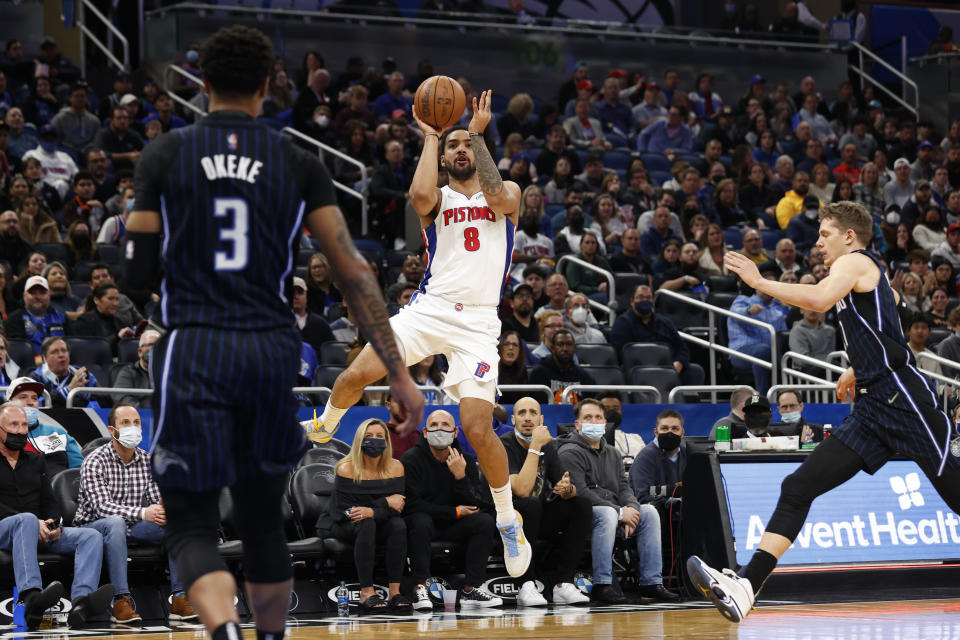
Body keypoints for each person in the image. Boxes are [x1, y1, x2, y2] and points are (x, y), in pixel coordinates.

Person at [123, 26, 423, 640]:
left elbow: (135, 272)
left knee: (192, 521)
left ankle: (222, 630)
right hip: (268, 347)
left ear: (202, 83)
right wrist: (397, 373)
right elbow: (356, 275)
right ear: (268, 86)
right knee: (262, 519)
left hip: (196, 344)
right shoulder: (297, 162)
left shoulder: (164, 155)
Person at [690, 201, 960, 623]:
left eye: (825, 233)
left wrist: (761, 281)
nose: (817, 242)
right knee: (798, 487)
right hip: (873, 407)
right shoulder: (869, 274)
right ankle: (747, 584)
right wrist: (858, 366)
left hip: (904, 400)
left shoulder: (854, 262)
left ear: (849, 236)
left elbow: (817, 300)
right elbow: (890, 319)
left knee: (956, 494)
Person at [309, 88, 534, 577]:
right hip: (429, 309)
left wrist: (476, 134)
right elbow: (417, 196)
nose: (459, 150)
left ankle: (505, 517)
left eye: (465, 146)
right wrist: (432, 137)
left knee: (476, 427)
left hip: (477, 321)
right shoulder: (439, 199)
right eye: (451, 146)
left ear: (478, 149)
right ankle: (325, 425)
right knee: (352, 378)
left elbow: (498, 195)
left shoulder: (507, 195)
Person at [73, 404, 197, 624]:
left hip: (132, 527)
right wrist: (143, 512)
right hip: (93, 528)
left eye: (137, 422)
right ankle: (122, 599)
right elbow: (102, 508)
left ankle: (179, 597)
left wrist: (166, 509)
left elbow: (155, 499)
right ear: (112, 430)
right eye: (126, 423)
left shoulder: (147, 460)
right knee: (115, 523)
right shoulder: (94, 461)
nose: (133, 427)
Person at [0, 401, 115, 628]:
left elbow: (50, 501)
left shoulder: (35, 460)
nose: (21, 430)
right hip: (5, 530)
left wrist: (51, 523)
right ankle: (32, 598)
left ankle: (81, 602)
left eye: (24, 425)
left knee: (90, 536)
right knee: (27, 520)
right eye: (14, 425)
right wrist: (35, 523)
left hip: (37, 529)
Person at [558, 399, 679, 603]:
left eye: (598, 417)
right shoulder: (569, 452)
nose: (594, 422)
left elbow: (624, 487)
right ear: (577, 424)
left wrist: (631, 508)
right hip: (583, 516)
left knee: (649, 511)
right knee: (607, 513)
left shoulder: (613, 453)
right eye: (588, 418)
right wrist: (621, 512)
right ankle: (603, 584)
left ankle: (651, 582)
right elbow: (581, 493)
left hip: (614, 512)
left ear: (605, 423)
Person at [402, 410, 503, 609]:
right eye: (434, 425)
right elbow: (412, 504)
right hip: (425, 523)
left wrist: (460, 477)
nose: (439, 429)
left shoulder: (464, 460)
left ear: (455, 432)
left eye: (445, 425)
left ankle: (471, 589)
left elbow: (475, 503)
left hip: (454, 524)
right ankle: (419, 587)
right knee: (419, 520)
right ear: (425, 432)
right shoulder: (410, 459)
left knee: (483, 521)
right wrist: (454, 512)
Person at [502, 397, 591, 606]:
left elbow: (567, 486)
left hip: (538, 516)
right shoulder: (504, 445)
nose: (527, 418)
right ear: (513, 419)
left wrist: (567, 489)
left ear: (541, 418)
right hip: (507, 520)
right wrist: (535, 445)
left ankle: (563, 584)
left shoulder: (548, 446)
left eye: (533, 412)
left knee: (582, 505)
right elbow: (522, 491)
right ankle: (526, 585)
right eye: (522, 413)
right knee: (530, 505)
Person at [314, 418, 409, 613]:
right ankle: (367, 592)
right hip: (340, 521)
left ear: (387, 441)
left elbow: (397, 507)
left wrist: (374, 510)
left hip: (377, 520)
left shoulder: (396, 467)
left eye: (379, 436)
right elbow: (350, 511)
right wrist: (383, 504)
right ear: (359, 440)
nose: (375, 440)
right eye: (369, 436)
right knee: (366, 522)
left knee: (398, 525)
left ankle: (395, 592)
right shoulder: (346, 468)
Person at [611, 285, 705, 386]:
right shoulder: (622, 323)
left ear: (653, 301)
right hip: (637, 369)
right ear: (632, 302)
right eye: (640, 297)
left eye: (648, 298)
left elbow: (682, 347)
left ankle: (688, 401)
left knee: (695, 371)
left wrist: (679, 363)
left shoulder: (665, 322)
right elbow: (621, 353)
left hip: (667, 367)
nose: (645, 300)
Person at [728, 272, 788, 393]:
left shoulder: (777, 311)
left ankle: (783, 394)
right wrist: (749, 311)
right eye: (765, 285)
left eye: (772, 286)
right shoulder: (744, 301)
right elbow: (734, 315)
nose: (768, 289)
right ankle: (763, 396)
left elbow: (783, 335)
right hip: (741, 352)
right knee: (763, 351)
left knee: (783, 354)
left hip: (769, 354)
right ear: (757, 286)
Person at [629, 409, 687, 510]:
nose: (670, 433)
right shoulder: (645, 457)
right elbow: (643, 496)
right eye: (664, 428)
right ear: (656, 432)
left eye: (675, 429)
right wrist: (673, 498)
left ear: (682, 433)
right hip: (656, 515)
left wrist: (660, 490)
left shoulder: (687, 454)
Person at [6, 275, 68, 355]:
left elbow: (72, 346)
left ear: (49, 296)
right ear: (24, 296)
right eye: (33, 293)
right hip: (29, 366)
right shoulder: (14, 319)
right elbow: (18, 352)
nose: (38, 297)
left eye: (42, 293)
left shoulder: (61, 317)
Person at [529, 329, 595, 403]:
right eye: (560, 344)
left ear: (574, 347)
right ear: (553, 348)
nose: (565, 349)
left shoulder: (583, 376)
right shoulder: (539, 373)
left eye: (569, 344)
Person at [112, 330, 160, 408]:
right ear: (140, 352)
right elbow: (121, 396)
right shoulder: (128, 372)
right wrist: (142, 411)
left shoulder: (170, 373)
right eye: (151, 345)